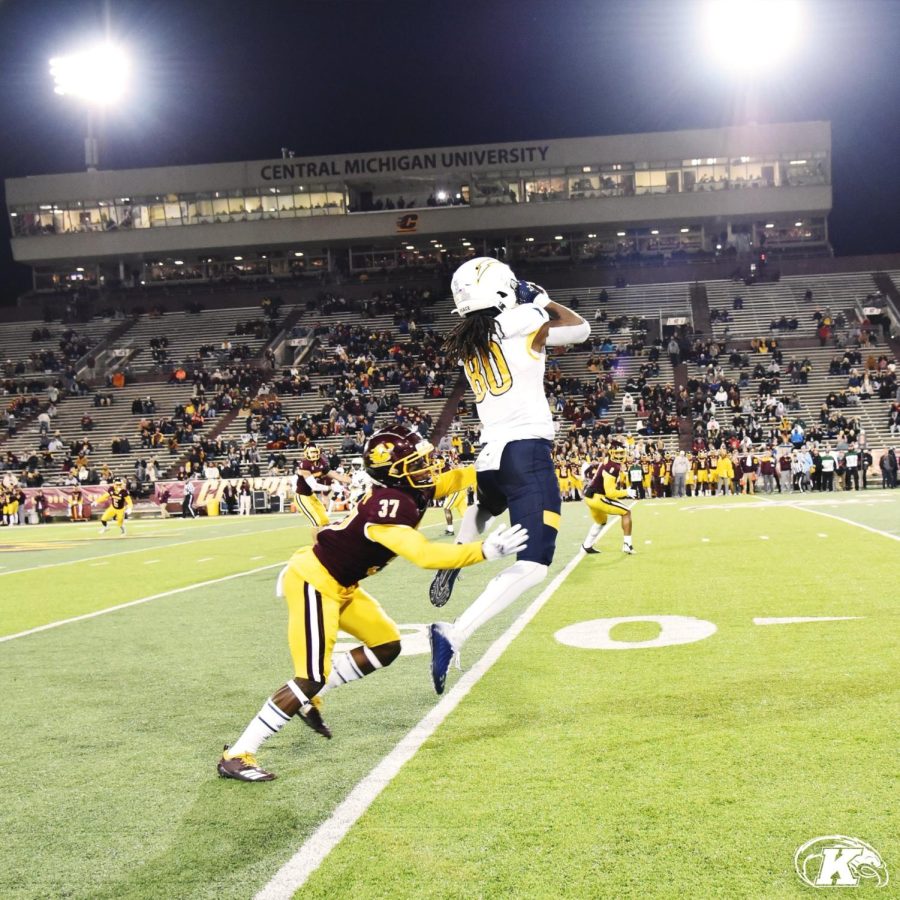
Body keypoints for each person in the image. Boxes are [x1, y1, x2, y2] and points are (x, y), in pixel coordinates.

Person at [217, 425, 528, 782]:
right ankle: (238, 753)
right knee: (310, 677)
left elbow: (454, 478)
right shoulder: (389, 504)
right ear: (393, 471)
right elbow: (424, 555)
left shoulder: (409, 489)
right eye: (418, 463)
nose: (428, 468)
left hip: (343, 583)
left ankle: (314, 695)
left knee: (386, 645)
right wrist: (484, 550)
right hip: (314, 581)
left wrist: (504, 465)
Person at [427, 257, 590, 695]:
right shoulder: (522, 321)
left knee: (485, 506)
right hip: (526, 452)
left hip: (490, 456)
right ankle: (455, 632)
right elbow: (579, 330)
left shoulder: (469, 342)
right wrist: (541, 298)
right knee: (534, 564)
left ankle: (458, 555)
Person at [581, 443, 636, 554]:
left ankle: (587, 545)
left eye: (621, 453)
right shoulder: (613, 467)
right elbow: (610, 493)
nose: (620, 456)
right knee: (626, 512)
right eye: (617, 453)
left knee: (601, 521)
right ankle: (627, 545)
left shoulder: (607, 460)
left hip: (589, 497)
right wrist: (627, 492)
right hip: (598, 498)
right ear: (611, 453)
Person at [293, 445, 349, 530]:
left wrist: (351, 481)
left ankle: (324, 542)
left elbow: (335, 475)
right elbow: (314, 486)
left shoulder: (321, 462)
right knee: (316, 523)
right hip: (302, 497)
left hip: (311, 496)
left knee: (325, 521)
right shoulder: (304, 464)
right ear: (306, 453)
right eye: (311, 452)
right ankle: (316, 543)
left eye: (315, 451)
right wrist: (331, 487)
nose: (314, 454)